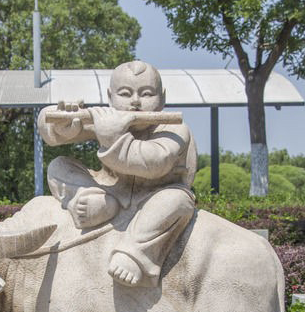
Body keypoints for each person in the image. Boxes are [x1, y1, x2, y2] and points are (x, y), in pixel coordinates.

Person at [37, 60, 196, 287]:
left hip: (154, 196)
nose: (135, 101)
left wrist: (113, 137)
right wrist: (62, 124)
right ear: (110, 97)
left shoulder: (175, 130)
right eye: (125, 93)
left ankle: (134, 254)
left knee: (178, 201)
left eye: (147, 93)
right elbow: (51, 128)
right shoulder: (108, 119)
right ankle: (96, 201)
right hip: (109, 189)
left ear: (162, 98)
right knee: (58, 167)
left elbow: (154, 163)